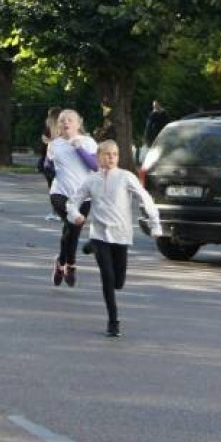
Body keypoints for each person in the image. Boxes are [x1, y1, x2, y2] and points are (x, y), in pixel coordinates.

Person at [68, 140, 163, 338]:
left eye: (115, 154)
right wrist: (75, 215)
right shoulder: (91, 180)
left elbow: (144, 197)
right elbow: (73, 202)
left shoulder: (126, 177)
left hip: (121, 235)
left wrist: (155, 223)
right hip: (100, 234)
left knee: (119, 282)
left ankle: (91, 247)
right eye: (106, 154)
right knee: (108, 278)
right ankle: (113, 321)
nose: (111, 158)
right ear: (98, 157)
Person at [45, 109, 98, 288]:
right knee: (72, 225)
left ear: (79, 123)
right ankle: (71, 265)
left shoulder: (88, 142)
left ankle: (61, 263)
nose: (65, 123)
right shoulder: (54, 145)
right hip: (60, 194)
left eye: (70, 120)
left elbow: (95, 165)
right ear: (58, 125)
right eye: (61, 121)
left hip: (84, 197)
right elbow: (47, 166)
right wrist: (49, 168)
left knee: (72, 231)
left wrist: (78, 147)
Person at [40, 106, 61, 220]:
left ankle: (56, 212)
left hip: (51, 160)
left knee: (53, 187)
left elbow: (44, 138)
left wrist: (51, 143)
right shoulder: (66, 127)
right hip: (61, 161)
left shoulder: (50, 125)